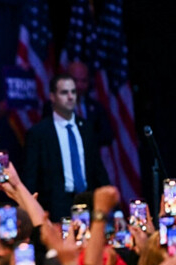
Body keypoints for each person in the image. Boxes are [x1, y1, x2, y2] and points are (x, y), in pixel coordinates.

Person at [22, 74, 110, 221]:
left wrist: (116, 209)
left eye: (73, 92)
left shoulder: (87, 128)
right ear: (52, 96)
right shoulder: (39, 133)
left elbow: (98, 170)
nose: (70, 97)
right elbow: (30, 177)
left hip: (88, 203)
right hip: (55, 208)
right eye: (64, 92)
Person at [42, 61, 114, 148]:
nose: (79, 85)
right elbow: (47, 135)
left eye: (83, 81)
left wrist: (86, 139)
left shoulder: (96, 107)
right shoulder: (53, 106)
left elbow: (107, 136)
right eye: (75, 80)